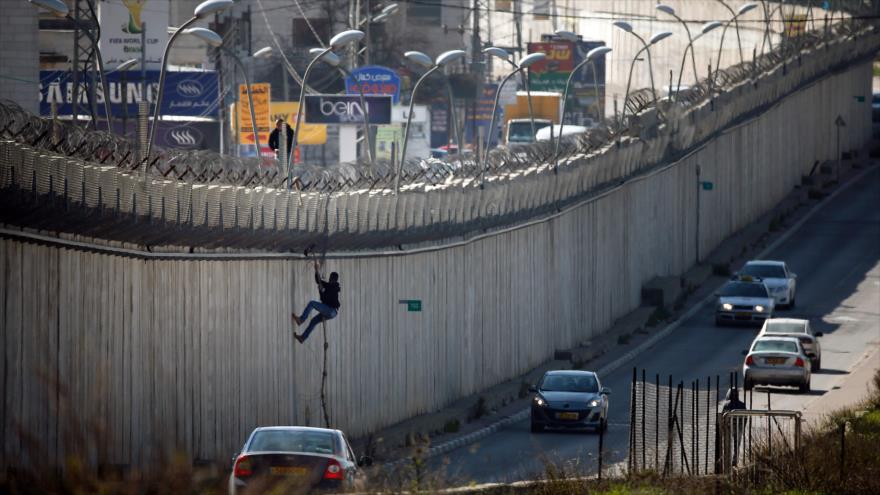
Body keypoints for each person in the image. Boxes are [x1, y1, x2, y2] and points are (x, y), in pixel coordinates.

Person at [292, 261, 340, 344]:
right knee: (314, 321)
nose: (330, 279)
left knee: (312, 303)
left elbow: (325, 297)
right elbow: (319, 281)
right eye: (330, 278)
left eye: (331, 278)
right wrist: (316, 270)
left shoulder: (333, 287)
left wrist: (321, 290)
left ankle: (301, 319)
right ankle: (302, 338)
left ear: (334, 280)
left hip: (331, 310)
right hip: (331, 311)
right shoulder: (330, 285)